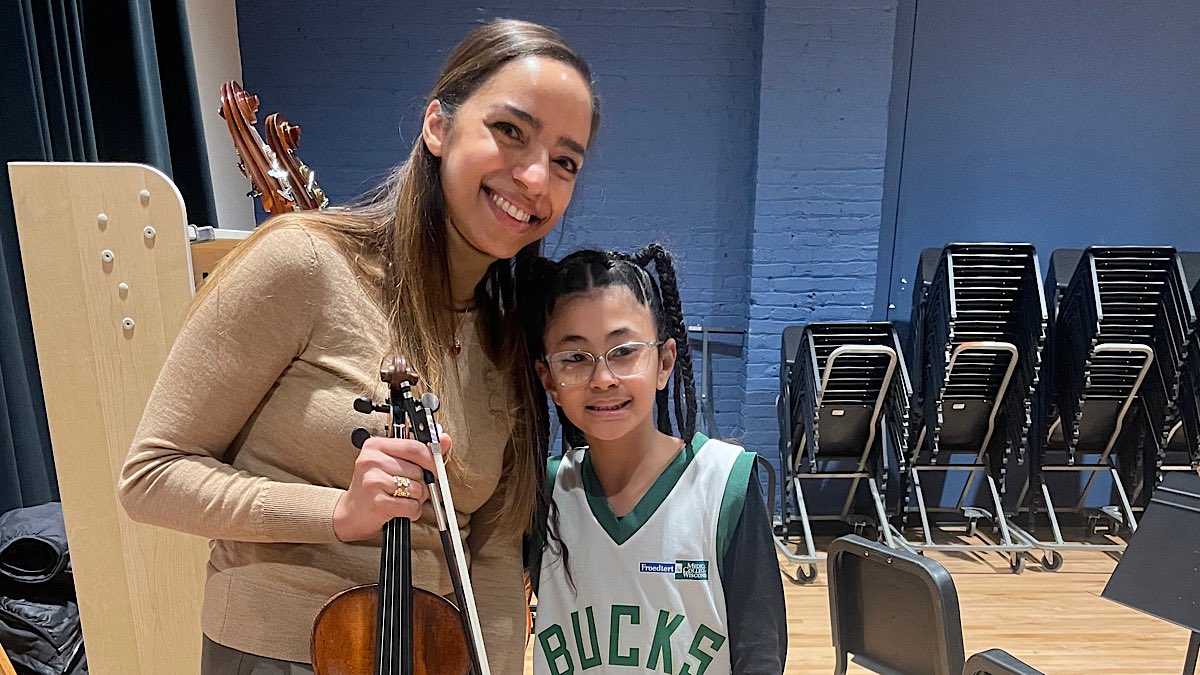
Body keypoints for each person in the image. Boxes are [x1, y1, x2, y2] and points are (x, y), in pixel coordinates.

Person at [117, 19, 599, 673]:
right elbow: (150, 477)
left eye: (565, 161)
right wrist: (337, 511)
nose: (536, 177)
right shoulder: (305, 263)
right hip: (274, 656)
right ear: (438, 126)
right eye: (510, 131)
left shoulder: (503, 336)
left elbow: (488, 552)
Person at [530, 246, 788, 674]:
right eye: (575, 358)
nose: (603, 379)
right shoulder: (546, 492)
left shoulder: (727, 485)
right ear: (549, 380)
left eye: (624, 351)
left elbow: (759, 652)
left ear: (664, 362)